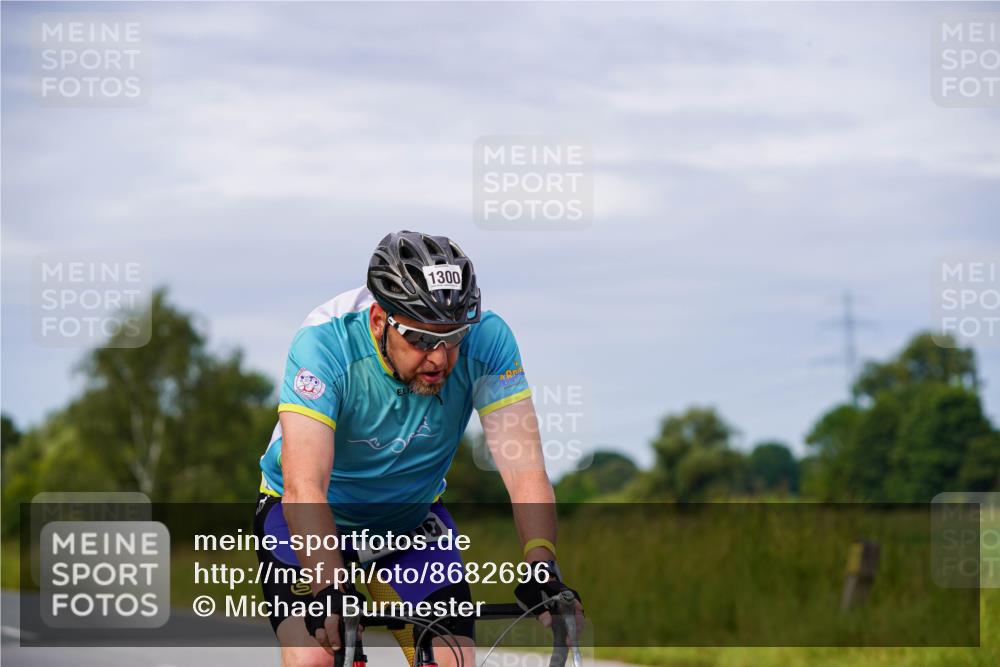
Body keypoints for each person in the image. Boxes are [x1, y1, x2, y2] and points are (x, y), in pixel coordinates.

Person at [253, 231, 583, 667]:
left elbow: (525, 471)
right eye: (421, 340)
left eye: (453, 338)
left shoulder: (489, 341)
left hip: (409, 521)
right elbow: (304, 486)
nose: (440, 359)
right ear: (378, 321)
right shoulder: (324, 343)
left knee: (451, 659)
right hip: (306, 516)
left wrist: (542, 565)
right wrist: (328, 585)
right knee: (316, 654)